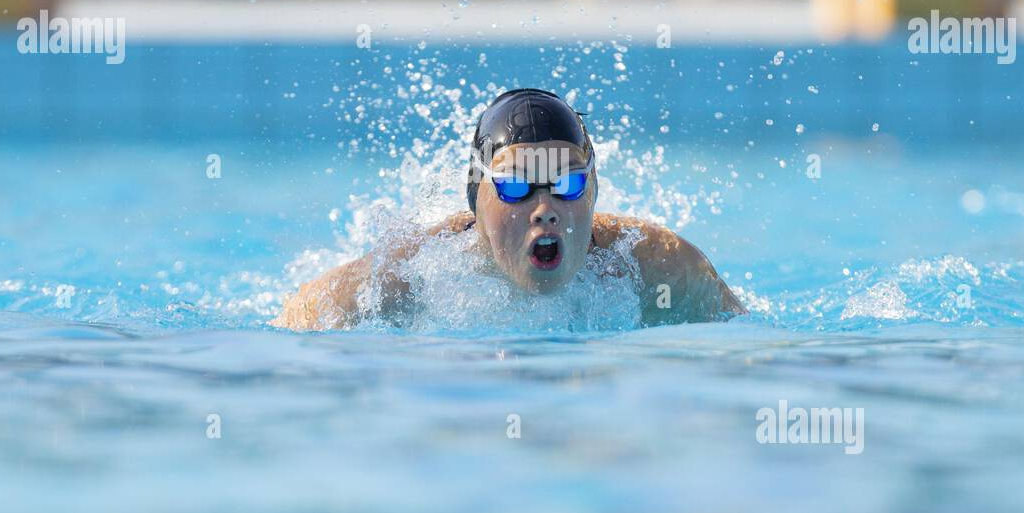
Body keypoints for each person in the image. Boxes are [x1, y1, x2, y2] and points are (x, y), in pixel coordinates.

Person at [275, 88, 745, 330]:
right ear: (475, 199)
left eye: (567, 182)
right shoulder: (410, 277)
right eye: (516, 186)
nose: (546, 209)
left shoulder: (661, 269)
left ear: (594, 187)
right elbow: (295, 327)